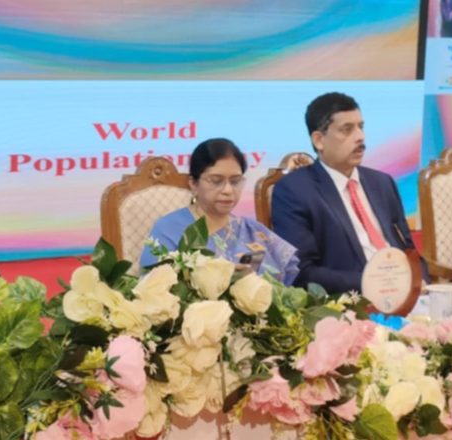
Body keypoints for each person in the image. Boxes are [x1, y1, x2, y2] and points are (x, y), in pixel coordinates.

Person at [270, 92, 425, 294]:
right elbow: (302, 272)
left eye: (361, 127)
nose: (360, 137)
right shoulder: (294, 191)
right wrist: (374, 283)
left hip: (406, 294)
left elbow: (407, 248)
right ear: (319, 140)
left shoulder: (382, 183)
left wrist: (421, 279)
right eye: (347, 129)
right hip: (353, 300)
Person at [139, 138, 300, 285]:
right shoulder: (169, 229)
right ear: (193, 184)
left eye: (235, 181)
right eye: (216, 181)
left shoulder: (251, 230)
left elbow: (288, 274)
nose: (228, 190)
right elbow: (153, 289)